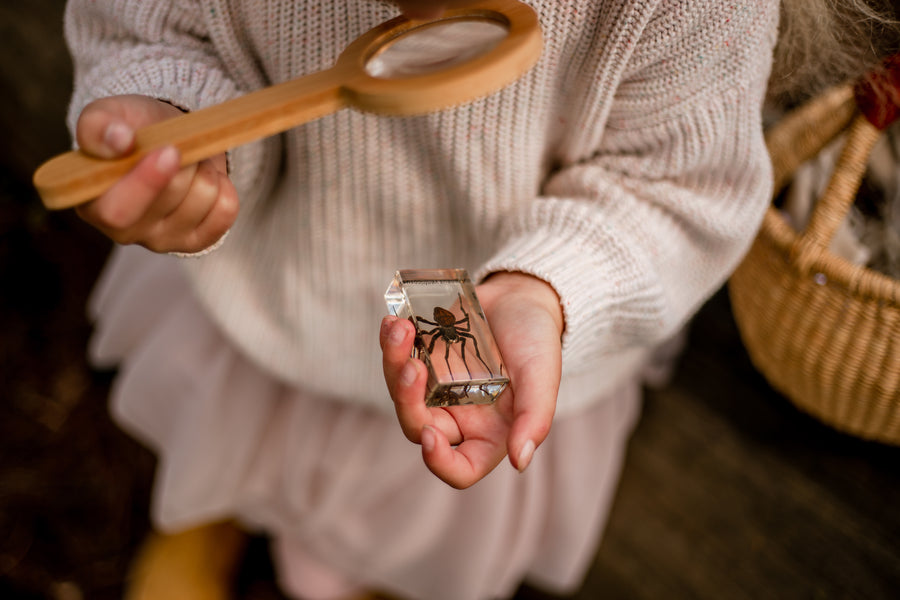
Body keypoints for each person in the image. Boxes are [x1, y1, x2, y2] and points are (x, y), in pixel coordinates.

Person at [59, 0, 893, 598]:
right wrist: (172, 118)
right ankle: (218, 512)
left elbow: (674, 190)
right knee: (235, 432)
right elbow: (152, 21)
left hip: (469, 326)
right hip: (276, 269)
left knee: (410, 504)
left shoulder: (693, 13)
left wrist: (545, 285)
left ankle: (351, 566)